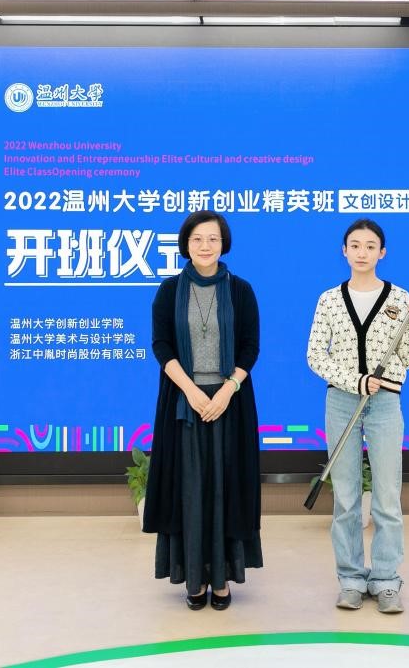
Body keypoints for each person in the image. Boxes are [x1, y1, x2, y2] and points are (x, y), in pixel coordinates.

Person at [142, 210, 262, 610]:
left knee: (225, 489)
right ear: (186, 244)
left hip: (230, 401)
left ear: (223, 243)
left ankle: (223, 580)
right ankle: (193, 579)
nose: (205, 246)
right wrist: (191, 390)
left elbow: (250, 347)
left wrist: (228, 389)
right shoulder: (169, 290)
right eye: (197, 239)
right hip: (184, 400)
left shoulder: (240, 290)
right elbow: (161, 346)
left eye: (212, 238)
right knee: (190, 491)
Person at [306, 218, 409, 614]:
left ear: (382, 252)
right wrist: (355, 381)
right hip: (341, 403)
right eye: (355, 245)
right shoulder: (329, 299)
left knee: (387, 497)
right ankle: (351, 579)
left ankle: (387, 579)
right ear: (344, 251)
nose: (362, 252)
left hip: (385, 403)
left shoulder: (399, 298)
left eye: (370, 246)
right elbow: (314, 356)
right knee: (346, 498)